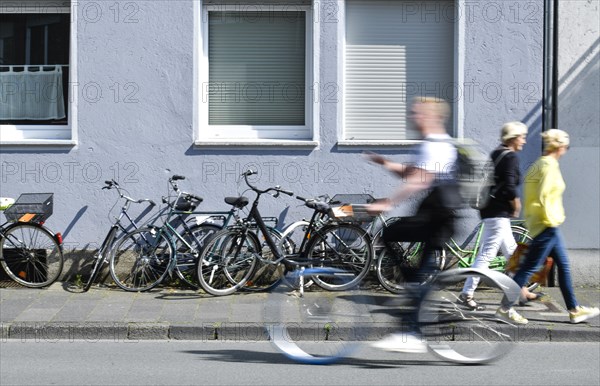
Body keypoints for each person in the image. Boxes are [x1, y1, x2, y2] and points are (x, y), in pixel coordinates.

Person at [366, 97, 462, 353]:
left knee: (388, 232)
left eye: (417, 113)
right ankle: (413, 312)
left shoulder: (436, 145)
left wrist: (388, 202)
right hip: (435, 218)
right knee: (419, 276)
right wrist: (386, 163)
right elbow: (412, 172)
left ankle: (411, 329)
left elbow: (420, 180)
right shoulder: (431, 145)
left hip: (438, 219)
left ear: (432, 117)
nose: (412, 116)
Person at [495, 129, 599, 324]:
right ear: (559, 146)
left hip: (544, 224)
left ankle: (574, 309)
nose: (566, 150)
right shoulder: (549, 166)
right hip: (547, 225)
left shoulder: (538, 164)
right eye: (566, 147)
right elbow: (543, 196)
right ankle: (504, 308)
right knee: (528, 268)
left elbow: (531, 192)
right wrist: (550, 220)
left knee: (564, 266)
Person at [458, 121, 541, 310]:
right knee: (486, 255)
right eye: (522, 137)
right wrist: (516, 203)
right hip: (498, 213)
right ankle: (466, 294)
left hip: (491, 210)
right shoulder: (510, 156)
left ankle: (521, 291)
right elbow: (509, 186)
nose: (524, 141)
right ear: (513, 137)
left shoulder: (497, 152)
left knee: (511, 251)